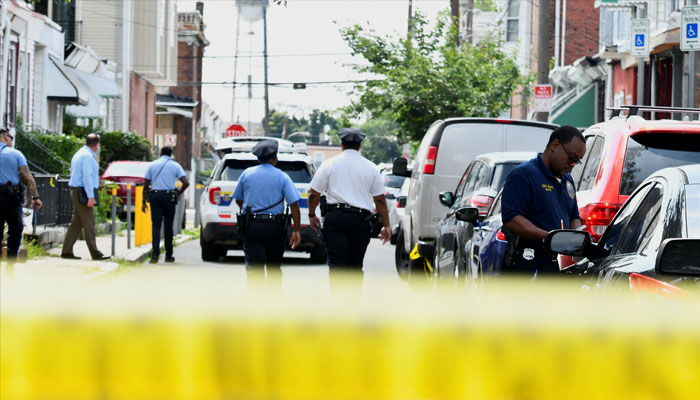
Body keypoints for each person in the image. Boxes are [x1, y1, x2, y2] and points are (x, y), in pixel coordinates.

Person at [501, 125, 586, 275]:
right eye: (571, 158)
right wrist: (549, 237)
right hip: (525, 265)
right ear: (555, 145)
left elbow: (573, 216)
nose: (572, 165)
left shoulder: (567, 180)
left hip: (551, 264)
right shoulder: (524, 175)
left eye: (577, 161)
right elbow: (512, 218)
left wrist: (576, 237)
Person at [307, 128, 391, 275]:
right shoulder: (371, 167)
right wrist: (386, 225)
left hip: (336, 219)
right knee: (355, 266)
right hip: (360, 221)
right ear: (360, 146)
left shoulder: (329, 164)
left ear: (341, 145)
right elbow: (380, 200)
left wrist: (312, 214)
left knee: (336, 265)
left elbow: (313, 194)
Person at [232, 140, 301, 280]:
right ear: (275, 158)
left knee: (254, 267)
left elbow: (238, 198)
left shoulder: (247, 174)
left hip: (252, 225)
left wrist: (247, 211)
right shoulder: (282, 176)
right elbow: (294, 204)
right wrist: (297, 230)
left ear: (258, 159)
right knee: (274, 268)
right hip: (275, 227)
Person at [61, 133, 109, 261]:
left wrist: (96, 183)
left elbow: (81, 175)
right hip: (83, 192)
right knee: (89, 223)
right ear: (97, 145)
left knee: (76, 223)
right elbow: (87, 177)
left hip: (77, 191)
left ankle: (66, 251)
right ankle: (95, 253)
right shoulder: (88, 157)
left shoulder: (79, 153)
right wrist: (91, 196)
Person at [141, 146, 189, 264]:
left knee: (156, 226)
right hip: (169, 197)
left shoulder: (152, 165)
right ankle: (168, 255)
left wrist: (143, 202)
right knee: (168, 227)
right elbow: (186, 183)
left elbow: (146, 185)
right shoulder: (175, 166)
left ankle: (155, 256)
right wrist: (178, 193)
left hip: (155, 197)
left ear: (161, 153)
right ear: (171, 154)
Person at [0, 129, 42, 262]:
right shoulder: (16, 154)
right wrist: (35, 198)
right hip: (12, 198)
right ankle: (11, 263)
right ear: (6, 137)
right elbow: (29, 178)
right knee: (15, 229)